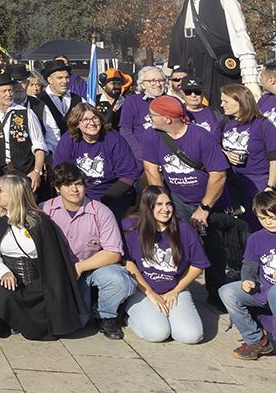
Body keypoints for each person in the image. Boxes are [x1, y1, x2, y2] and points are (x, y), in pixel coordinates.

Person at [141, 94, 229, 304]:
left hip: (209, 200)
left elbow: (219, 175)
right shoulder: (152, 135)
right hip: (176, 198)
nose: (149, 118)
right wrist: (162, 203)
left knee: (213, 247)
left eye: (152, 115)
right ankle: (175, 289)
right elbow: (151, 170)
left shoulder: (201, 137)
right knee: (175, 244)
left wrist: (205, 207)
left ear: (167, 119)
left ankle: (215, 294)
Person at [0, 174, 86, 340]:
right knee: (0, 295)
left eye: (1, 190)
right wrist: (3, 272)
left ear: (13, 194)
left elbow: (53, 261)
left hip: (38, 282)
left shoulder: (40, 222)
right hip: (10, 280)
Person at [44, 163, 134, 340]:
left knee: (120, 281)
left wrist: (79, 267)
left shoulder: (100, 211)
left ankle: (106, 316)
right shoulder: (45, 210)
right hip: (61, 273)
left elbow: (114, 252)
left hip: (92, 267)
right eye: (67, 185)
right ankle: (87, 308)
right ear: (57, 188)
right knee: (78, 322)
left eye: (78, 183)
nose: (74, 189)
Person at [167, 0, 261, 109]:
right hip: (193, 70)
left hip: (218, 70)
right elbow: (179, 38)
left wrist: (250, 79)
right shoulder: (189, 0)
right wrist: (175, 68)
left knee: (221, 113)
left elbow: (240, 35)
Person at [121, 185, 210, 344]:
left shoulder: (184, 229)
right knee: (158, 333)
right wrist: (150, 293)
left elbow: (198, 265)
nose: (166, 209)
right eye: (159, 204)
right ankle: (128, 315)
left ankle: (163, 316)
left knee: (191, 336)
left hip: (173, 288)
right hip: (142, 288)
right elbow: (128, 262)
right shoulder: (131, 225)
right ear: (148, 206)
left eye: (168, 204)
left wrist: (176, 291)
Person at [52, 103, 139, 220]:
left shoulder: (114, 139)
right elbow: (60, 172)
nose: (91, 123)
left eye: (95, 118)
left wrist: (103, 201)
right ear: (77, 124)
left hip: (112, 195)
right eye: (85, 119)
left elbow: (129, 175)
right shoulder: (68, 140)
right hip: (79, 194)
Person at [218, 188, 276, 360]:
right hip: (264, 288)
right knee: (227, 291)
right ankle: (256, 340)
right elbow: (249, 264)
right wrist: (248, 279)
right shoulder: (256, 238)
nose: (268, 222)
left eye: (272, 217)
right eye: (262, 218)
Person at [0, 72, 47, 191]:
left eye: (10, 90)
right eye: (4, 91)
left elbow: (39, 146)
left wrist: (36, 171)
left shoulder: (27, 113)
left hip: (23, 173)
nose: (8, 94)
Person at [218, 83, 276, 225]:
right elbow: (212, 144)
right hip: (231, 179)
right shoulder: (224, 120)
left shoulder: (263, 125)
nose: (221, 104)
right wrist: (224, 153)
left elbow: (274, 158)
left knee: (258, 221)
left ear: (240, 101)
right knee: (237, 223)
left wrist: (270, 186)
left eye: (225, 101)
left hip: (257, 181)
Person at [34, 60, 82, 153]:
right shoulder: (37, 100)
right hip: (49, 153)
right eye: (60, 78)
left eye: (67, 77)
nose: (65, 81)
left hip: (75, 151)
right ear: (50, 80)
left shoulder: (78, 99)